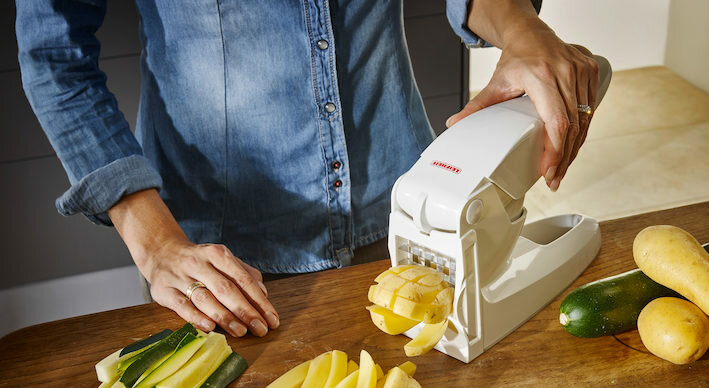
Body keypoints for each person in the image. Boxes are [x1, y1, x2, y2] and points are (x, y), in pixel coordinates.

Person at [16, 0, 599, 339]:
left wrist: (524, 30)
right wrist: (156, 245)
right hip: (223, 265)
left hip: (404, 206)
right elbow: (53, 56)